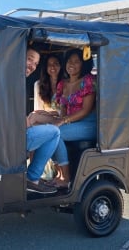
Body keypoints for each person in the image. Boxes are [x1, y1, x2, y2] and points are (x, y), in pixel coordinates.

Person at [51, 48, 97, 188]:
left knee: (54, 133)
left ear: (84, 64)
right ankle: (58, 174)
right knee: (47, 132)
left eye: (77, 61)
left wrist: (63, 121)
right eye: (70, 61)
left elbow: (86, 110)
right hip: (72, 122)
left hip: (89, 123)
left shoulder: (88, 81)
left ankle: (66, 177)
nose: (72, 64)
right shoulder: (62, 84)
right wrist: (58, 118)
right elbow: (63, 108)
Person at [24, 48, 62, 194]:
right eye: (29, 59)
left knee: (47, 126)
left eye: (36, 63)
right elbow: (37, 110)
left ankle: (59, 174)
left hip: (56, 119)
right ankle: (33, 177)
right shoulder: (38, 84)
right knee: (53, 131)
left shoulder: (64, 84)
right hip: (12, 136)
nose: (32, 65)